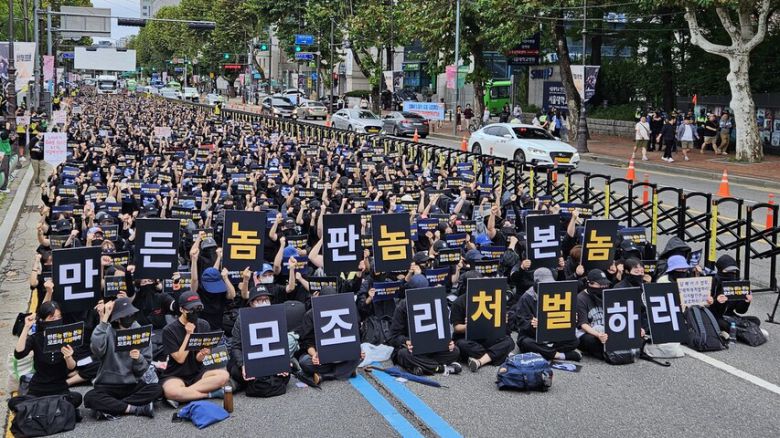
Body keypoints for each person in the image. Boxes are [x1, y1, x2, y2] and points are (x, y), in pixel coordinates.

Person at [84, 298, 162, 420]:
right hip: (107, 384)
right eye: (126, 315)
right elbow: (96, 349)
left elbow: (143, 369)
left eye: (131, 314)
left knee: (156, 389)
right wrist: (104, 318)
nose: (129, 317)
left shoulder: (140, 331)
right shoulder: (107, 330)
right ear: (118, 318)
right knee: (89, 397)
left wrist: (138, 359)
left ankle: (112, 407)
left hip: (132, 384)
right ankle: (135, 408)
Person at [9, 300, 83, 413]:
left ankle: (41, 408)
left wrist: (68, 357)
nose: (57, 320)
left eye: (59, 317)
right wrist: (26, 327)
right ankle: (52, 408)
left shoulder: (66, 336)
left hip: (59, 388)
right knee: (13, 402)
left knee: (77, 398)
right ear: (43, 320)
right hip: (37, 389)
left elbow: (72, 367)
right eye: (52, 318)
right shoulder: (36, 338)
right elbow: (19, 354)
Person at [160, 291, 230, 406]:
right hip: (176, 374)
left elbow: (198, 359)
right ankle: (209, 394)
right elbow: (180, 359)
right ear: (181, 309)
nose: (195, 312)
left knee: (224, 376)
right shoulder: (169, 330)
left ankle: (184, 395)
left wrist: (202, 354)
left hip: (197, 372)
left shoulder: (203, 324)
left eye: (198, 308)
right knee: (171, 391)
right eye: (191, 309)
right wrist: (189, 334)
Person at [228, 285, 296, 397]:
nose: (264, 303)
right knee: (235, 370)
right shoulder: (242, 319)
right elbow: (236, 347)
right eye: (259, 300)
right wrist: (243, 365)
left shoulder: (276, 315)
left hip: (271, 358)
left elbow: (282, 343)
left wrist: (283, 362)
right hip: (250, 359)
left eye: (266, 299)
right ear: (251, 303)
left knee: (285, 370)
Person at [388, 274, 462, 375]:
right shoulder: (402, 307)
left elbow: (443, 330)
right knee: (403, 354)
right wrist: (406, 341)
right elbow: (393, 337)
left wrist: (447, 342)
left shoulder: (435, 301)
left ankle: (421, 367)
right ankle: (440, 368)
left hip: (433, 347)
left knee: (455, 351)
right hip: (413, 349)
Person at [512, 268, 581, 361]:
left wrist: (570, 318)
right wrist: (532, 324)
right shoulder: (526, 297)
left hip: (553, 335)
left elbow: (561, 316)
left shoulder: (556, 293)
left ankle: (543, 352)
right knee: (525, 343)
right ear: (536, 283)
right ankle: (558, 355)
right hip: (533, 336)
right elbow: (521, 323)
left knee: (575, 341)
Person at [297, 287, 362, 383]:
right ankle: (346, 371)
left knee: (359, 354)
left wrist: (357, 349)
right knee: (304, 362)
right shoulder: (310, 315)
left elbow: (355, 333)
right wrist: (314, 355)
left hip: (342, 354)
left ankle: (326, 376)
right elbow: (307, 341)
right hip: (321, 356)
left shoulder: (346, 310)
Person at [450, 281, 514, 372]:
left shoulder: (490, 297)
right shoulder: (459, 302)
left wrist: (502, 321)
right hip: (467, 338)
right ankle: (498, 354)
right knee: (461, 345)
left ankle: (480, 361)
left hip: (487, 335)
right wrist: (468, 326)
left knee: (509, 341)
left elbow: (499, 324)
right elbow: (456, 328)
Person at [575, 269, 612, 360]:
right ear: (590, 284)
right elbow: (583, 324)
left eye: (605, 285)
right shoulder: (580, 298)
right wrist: (598, 335)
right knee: (591, 341)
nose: (603, 287)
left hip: (605, 329)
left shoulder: (607, 294)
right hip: (588, 332)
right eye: (600, 285)